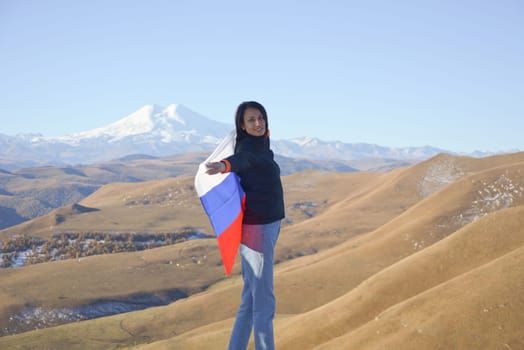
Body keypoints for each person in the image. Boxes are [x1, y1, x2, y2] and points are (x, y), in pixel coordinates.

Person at [206, 101, 285, 350]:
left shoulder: (263, 146)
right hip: (257, 229)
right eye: (251, 119)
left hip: (267, 225)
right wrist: (224, 166)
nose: (258, 123)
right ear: (241, 124)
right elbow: (241, 160)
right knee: (264, 302)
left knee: (251, 300)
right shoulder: (249, 148)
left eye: (261, 118)